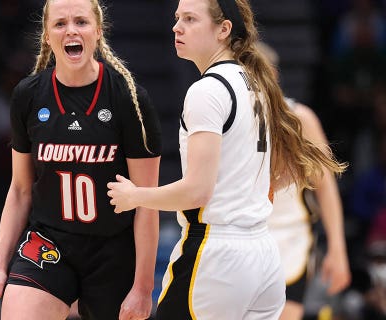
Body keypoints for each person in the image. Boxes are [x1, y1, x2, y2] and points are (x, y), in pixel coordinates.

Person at [107, 0, 347, 319]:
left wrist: (136, 196)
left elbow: (197, 192)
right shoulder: (259, 87)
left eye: (190, 19)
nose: (176, 27)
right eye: (178, 18)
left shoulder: (208, 90)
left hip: (217, 255)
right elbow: (289, 172)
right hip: (263, 253)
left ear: (223, 30)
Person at [0, 0, 162, 319]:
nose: (71, 30)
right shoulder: (29, 95)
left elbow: (147, 201)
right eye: (60, 23)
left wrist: (143, 289)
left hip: (112, 248)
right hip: (49, 241)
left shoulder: (128, 97)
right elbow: (20, 189)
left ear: (98, 32)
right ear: (47, 35)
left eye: (81, 22)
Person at [255, 41, 351, 320]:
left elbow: (327, 189)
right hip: (242, 238)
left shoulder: (301, 119)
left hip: (289, 238)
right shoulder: (229, 118)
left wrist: (337, 248)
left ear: (271, 74)